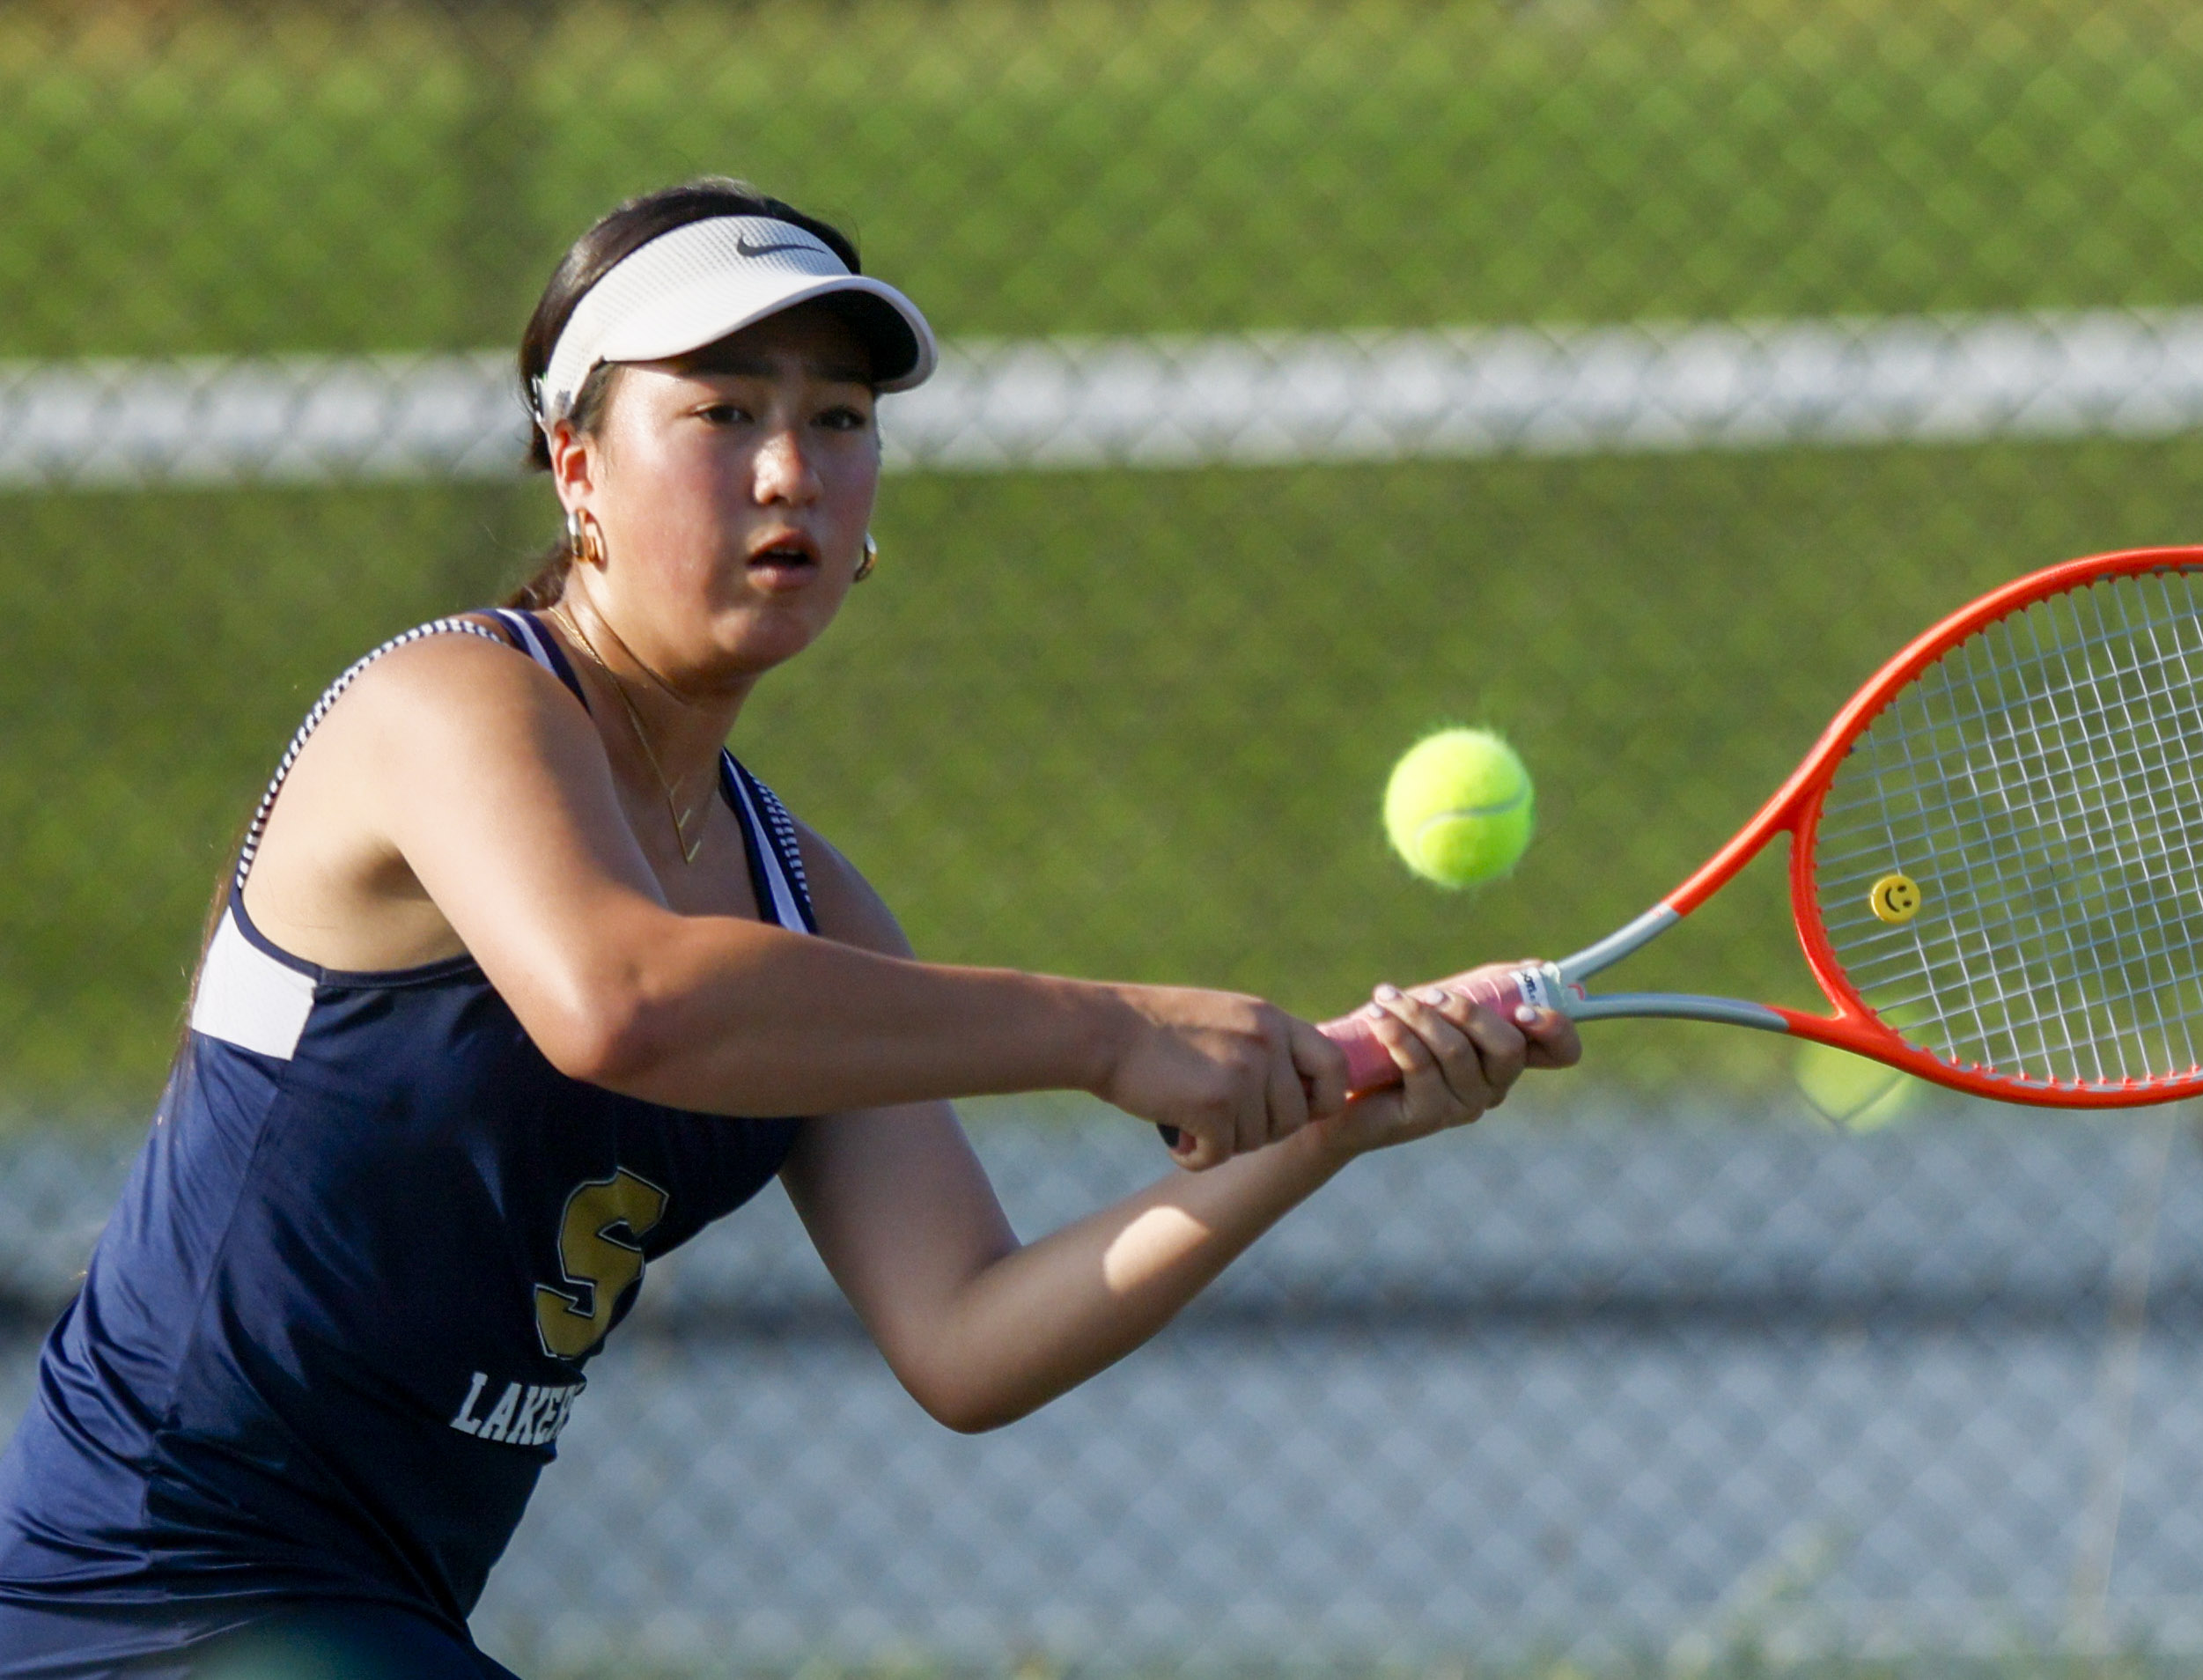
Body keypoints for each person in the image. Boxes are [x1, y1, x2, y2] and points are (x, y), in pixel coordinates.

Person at [0, 179, 1579, 1678]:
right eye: (722, 412)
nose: (790, 470)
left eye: (838, 419)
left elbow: (967, 1335)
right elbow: (621, 1002)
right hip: (139, 1597)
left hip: (365, 1614)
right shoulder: (446, 703)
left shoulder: (800, 899)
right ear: (577, 468)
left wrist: (1326, 1128)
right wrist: (1107, 1030)